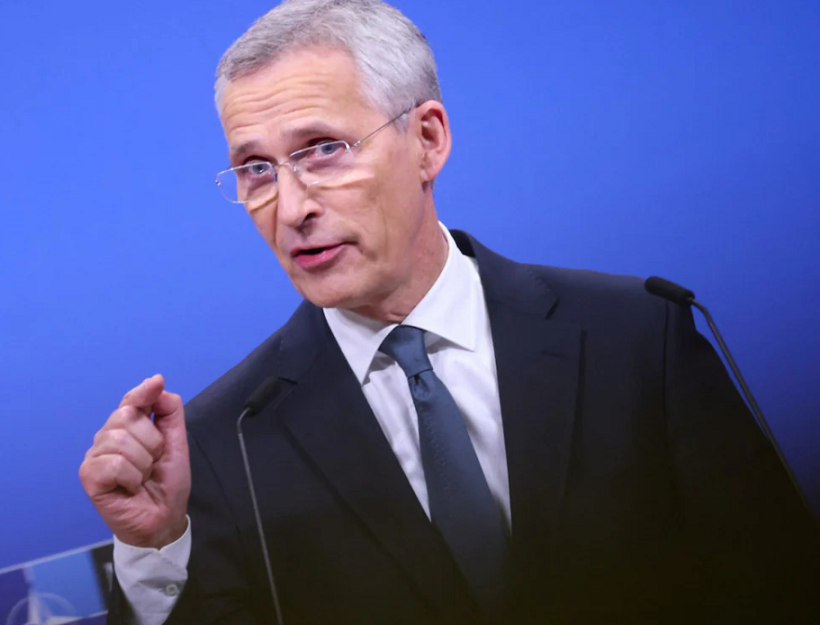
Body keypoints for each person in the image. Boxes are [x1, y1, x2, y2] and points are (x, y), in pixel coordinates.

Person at [78, 1, 818, 623]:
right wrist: (153, 550)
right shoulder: (222, 439)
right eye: (256, 169)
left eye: (324, 149)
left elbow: (777, 582)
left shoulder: (635, 333)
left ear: (427, 140)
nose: (291, 207)